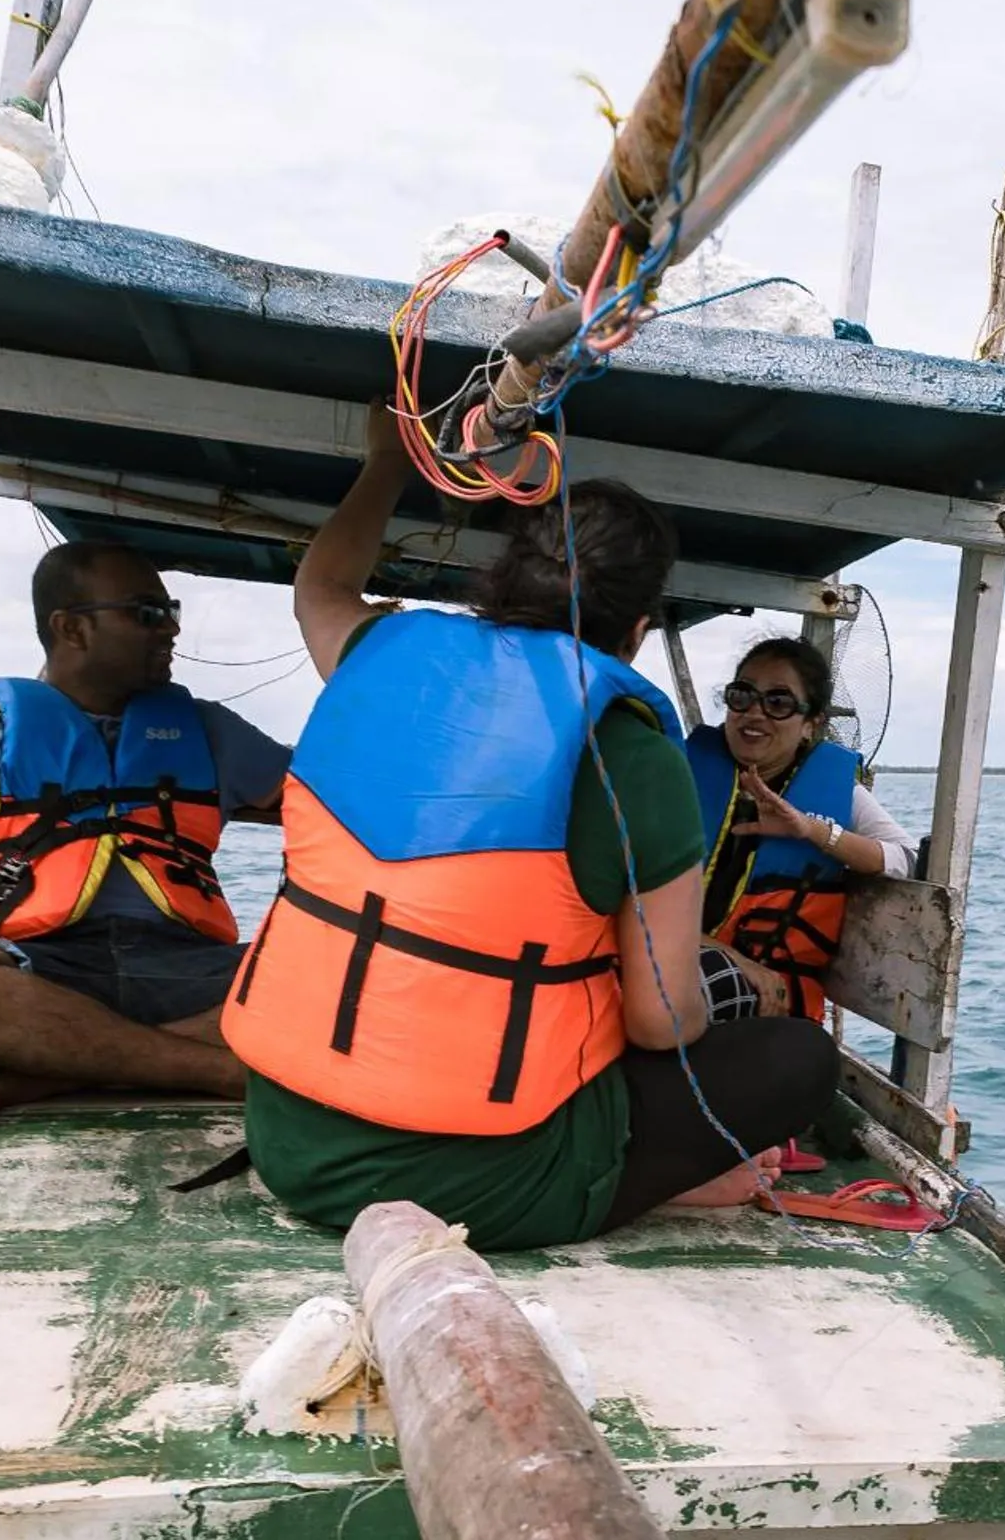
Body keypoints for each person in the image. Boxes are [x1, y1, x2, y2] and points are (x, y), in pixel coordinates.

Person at [224, 405, 839, 1252]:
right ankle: (668, 1182)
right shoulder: (632, 751)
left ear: (499, 584)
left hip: (294, 1146)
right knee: (795, 1059)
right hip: (487, 1183)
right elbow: (662, 1021)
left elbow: (319, 588)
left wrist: (385, 463)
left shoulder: (380, 656)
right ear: (633, 632)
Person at [0, 541, 289, 1124]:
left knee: (344, 978)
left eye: (171, 611)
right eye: (146, 612)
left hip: (183, 966)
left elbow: (329, 798)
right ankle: (221, 1070)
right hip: (32, 969)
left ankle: (50, 1069)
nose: (169, 629)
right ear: (72, 629)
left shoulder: (210, 730)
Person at [690, 637, 918, 1024]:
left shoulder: (835, 792)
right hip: (677, 969)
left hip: (778, 1005)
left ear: (812, 723)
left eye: (778, 703)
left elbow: (907, 860)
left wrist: (809, 829)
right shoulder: (679, 776)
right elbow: (629, 900)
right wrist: (730, 957)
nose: (754, 714)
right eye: (742, 695)